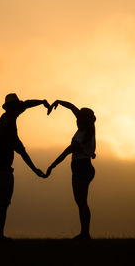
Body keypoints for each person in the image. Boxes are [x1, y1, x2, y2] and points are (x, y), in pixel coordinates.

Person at [0, 93, 50, 240]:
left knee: (3, 204)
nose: (20, 110)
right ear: (11, 109)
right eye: (16, 108)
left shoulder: (8, 118)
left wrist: (42, 102)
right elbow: (22, 152)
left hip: (5, 170)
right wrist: (35, 170)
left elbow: (26, 104)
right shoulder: (7, 128)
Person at [45, 100, 96, 239]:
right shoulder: (86, 128)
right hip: (81, 167)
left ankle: (85, 233)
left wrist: (52, 166)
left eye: (79, 118)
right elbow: (72, 107)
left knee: (82, 202)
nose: (76, 120)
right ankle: (84, 233)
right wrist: (58, 102)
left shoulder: (84, 134)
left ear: (84, 121)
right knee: (80, 202)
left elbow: (67, 151)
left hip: (82, 167)